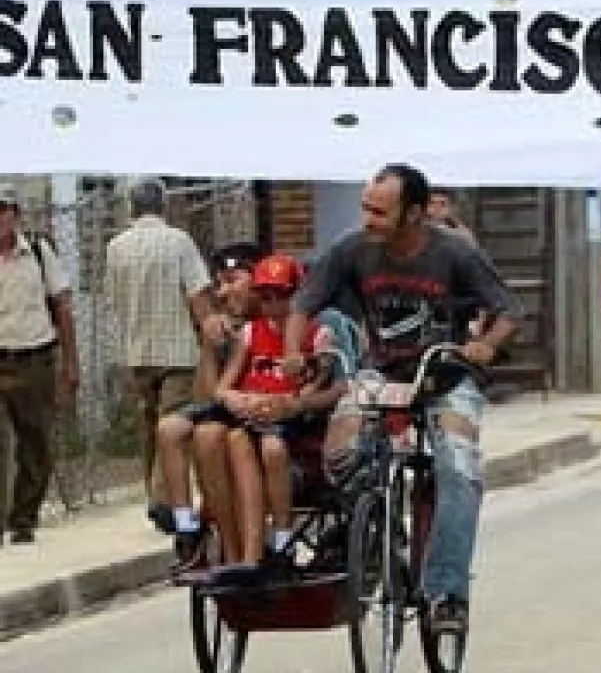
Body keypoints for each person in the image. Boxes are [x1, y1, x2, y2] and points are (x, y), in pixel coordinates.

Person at [284, 163, 522, 631]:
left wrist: (486, 345)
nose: (368, 219)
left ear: (414, 213)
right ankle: (375, 531)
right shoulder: (353, 249)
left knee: (459, 469)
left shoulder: (453, 253)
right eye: (365, 208)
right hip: (382, 372)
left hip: (445, 377)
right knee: (340, 454)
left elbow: (509, 310)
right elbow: (302, 304)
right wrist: (294, 351)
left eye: (379, 211)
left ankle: (446, 593)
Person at [205, 254, 343, 583]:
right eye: (265, 297)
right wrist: (239, 399)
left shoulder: (319, 332)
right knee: (229, 439)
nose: (273, 305)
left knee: (271, 449)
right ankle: (247, 552)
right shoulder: (251, 333)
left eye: (282, 296)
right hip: (254, 423)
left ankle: (281, 540)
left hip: (298, 431)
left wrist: (288, 401)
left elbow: (318, 384)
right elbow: (223, 386)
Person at [104, 178, 227, 533]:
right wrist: (211, 334)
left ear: (132, 207)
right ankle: (164, 501)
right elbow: (198, 295)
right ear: (163, 205)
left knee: (150, 429)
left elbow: (112, 298)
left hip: (136, 350)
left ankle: (155, 495)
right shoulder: (178, 242)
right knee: (172, 425)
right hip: (177, 352)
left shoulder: (116, 247)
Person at [159, 241, 263, 571]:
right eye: (219, 283)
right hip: (223, 409)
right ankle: (186, 527)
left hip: (261, 414)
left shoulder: (277, 319)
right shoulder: (225, 327)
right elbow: (205, 397)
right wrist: (207, 346)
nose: (222, 292)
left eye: (232, 280)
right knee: (169, 428)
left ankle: (240, 553)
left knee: (210, 437)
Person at [0, 183, 79, 545]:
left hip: (34, 357)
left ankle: (22, 519)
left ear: (15, 213)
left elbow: (62, 307)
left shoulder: (37, 250)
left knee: (35, 443)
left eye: (5, 209)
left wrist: (71, 363)